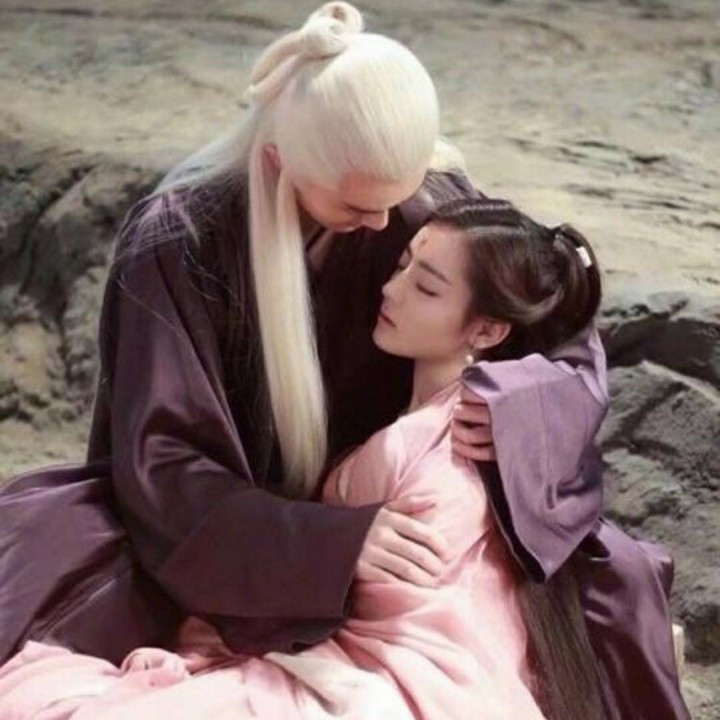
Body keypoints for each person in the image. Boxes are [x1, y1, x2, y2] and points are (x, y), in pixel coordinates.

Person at [0, 0, 641, 713]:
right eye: (358, 207)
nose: (385, 226)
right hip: (226, 531)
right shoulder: (177, 240)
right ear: (280, 160)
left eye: (397, 198)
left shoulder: (415, 201)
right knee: (38, 555)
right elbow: (165, 463)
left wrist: (521, 408)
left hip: (384, 495)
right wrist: (326, 544)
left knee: (606, 585)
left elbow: (546, 311)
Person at [0, 199, 686, 720]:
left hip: (408, 673)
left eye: (425, 287)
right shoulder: (478, 423)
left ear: (486, 329)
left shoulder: (447, 441)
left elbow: (383, 610)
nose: (391, 289)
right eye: (402, 264)